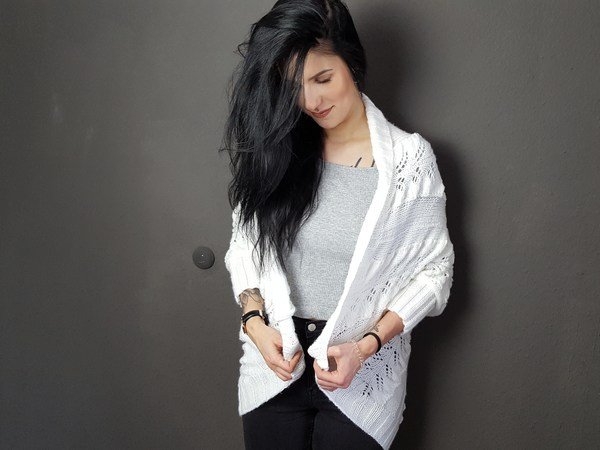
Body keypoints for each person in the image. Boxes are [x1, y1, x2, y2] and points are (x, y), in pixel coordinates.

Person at [220, 1, 455, 449]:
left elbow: (435, 272)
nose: (311, 102)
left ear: (352, 65)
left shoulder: (408, 161)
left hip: (360, 373)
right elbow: (245, 243)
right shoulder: (279, 150)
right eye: (294, 87)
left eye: (323, 79)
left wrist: (365, 347)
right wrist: (255, 324)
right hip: (274, 368)